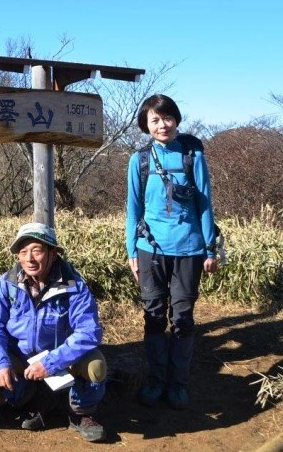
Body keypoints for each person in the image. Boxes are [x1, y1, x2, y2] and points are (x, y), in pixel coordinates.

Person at [126, 94, 220, 410]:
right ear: (146, 125)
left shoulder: (192, 154)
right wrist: (131, 251)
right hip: (149, 248)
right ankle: (155, 381)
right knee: (153, 315)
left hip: (189, 249)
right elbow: (133, 209)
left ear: (175, 119)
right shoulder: (139, 160)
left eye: (167, 118)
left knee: (182, 317)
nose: (162, 125)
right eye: (155, 120)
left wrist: (210, 248)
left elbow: (205, 202)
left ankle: (178, 383)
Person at [0, 222, 108, 442]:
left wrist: (50, 363)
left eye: (37, 251)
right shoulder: (7, 283)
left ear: (53, 253)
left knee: (96, 367)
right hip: (21, 356)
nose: (29, 258)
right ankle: (30, 398)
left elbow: (88, 332)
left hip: (62, 358)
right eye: (23, 252)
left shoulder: (73, 285)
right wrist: (1, 362)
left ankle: (81, 412)